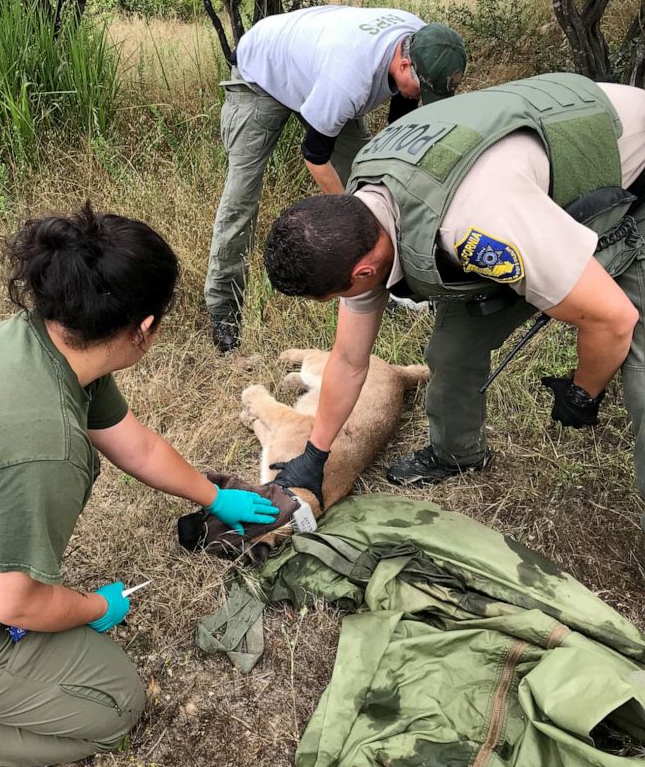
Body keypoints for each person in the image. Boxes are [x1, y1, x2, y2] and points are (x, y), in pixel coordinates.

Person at [0, 204, 278, 767]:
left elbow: (136, 444)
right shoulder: (42, 446)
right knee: (113, 704)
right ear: (144, 328)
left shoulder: (27, 344)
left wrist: (211, 495)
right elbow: (15, 603)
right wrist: (95, 607)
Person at [261, 73, 645, 522]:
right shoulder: (360, 220)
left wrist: (583, 391)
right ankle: (457, 452)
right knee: (451, 352)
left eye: (332, 297)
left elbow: (612, 320)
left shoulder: (478, 228)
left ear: (363, 271)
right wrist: (315, 455)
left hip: (630, 172)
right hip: (532, 188)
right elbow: (348, 361)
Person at [204, 5, 467, 352]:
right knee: (242, 197)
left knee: (374, 176)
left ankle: (397, 284)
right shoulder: (349, 80)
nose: (421, 97)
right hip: (262, 71)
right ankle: (223, 312)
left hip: (315, 70)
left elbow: (397, 133)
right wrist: (354, 214)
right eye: (421, 89)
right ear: (404, 65)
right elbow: (315, 155)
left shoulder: (426, 44)